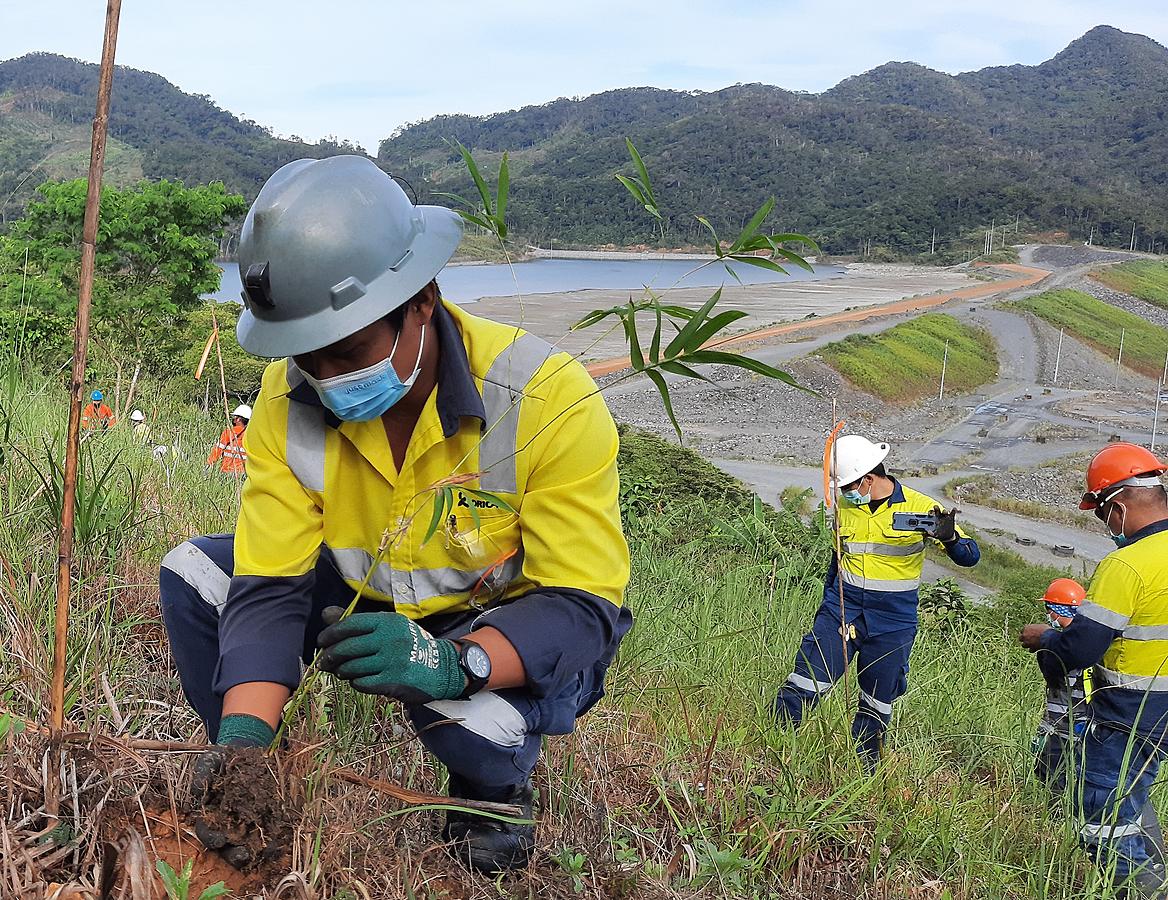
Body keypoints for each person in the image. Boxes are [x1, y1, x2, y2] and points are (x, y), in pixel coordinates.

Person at [158, 156, 631, 875]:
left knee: (480, 721)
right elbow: (271, 585)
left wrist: (454, 663)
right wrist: (246, 744)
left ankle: (491, 794)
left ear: (421, 300)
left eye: (346, 350)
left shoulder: (545, 399)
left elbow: (583, 606)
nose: (324, 375)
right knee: (196, 573)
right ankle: (253, 761)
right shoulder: (286, 403)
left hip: (487, 624)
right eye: (303, 356)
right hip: (357, 597)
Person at [773, 435, 980, 768]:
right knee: (806, 679)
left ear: (868, 478)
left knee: (877, 701)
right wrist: (827, 607)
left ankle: (865, 768)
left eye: (847, 486)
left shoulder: (921, 507)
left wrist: (949, 537)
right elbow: (836, 560)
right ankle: (772, 744)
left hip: (893, 619)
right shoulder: (845, 508)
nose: (843, 494)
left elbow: (970, 558)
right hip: (843, 607)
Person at [1020, 442, 1168, 894]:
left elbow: (1079, 647)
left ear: (1117, 506)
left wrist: (1044, 641)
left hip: (1129, 711)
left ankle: (1148, 890)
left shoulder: (1126, 565)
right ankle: (1157, 872)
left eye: (1101, 514)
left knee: (1100, 817)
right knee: (1134, 796)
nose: (1105, 526)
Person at [1033, 578, 1090, 794]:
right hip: (1072, 726)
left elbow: (1052, 675)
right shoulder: (1087, 644)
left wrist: (1046, 641)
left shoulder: (1063, 646)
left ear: (1056, 610)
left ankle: (1056, 819)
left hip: (1065, 727)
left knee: (1053, 778)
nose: (1048, 614)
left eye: (1049, 608)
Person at [206, 405, 251, 475]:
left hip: (227, 471)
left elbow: (217, 451)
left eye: (235, 417)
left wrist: (209, 464)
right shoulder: (250, 435)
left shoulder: (228, 432)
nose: (233, 419)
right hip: (243, 473)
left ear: (238, 419)